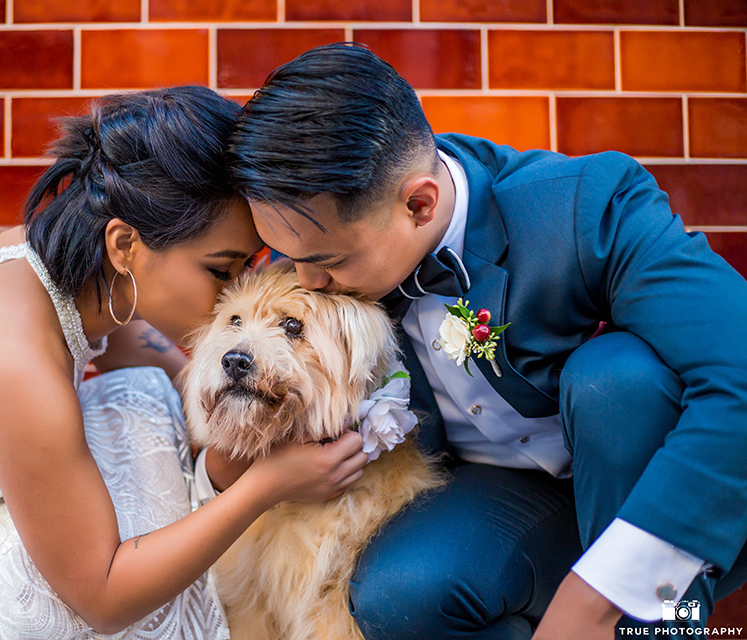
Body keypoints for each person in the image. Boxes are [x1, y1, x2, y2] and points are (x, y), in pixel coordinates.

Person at [0, 86, 367, 639]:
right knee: (97, 556)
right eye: (221, 270)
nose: (232, 294)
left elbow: (133, 343)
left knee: (144, 412)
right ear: (124, 245)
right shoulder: (14, 363)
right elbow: (103, 596)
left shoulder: (65, 259)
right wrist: (264, 486)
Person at [219, 43, 747, 639]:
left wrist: (598, 593)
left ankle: (665, 628)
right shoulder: (317, 232)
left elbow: (740, 374)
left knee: (616, 377)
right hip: (499, 498)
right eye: (292, 259)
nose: (306, 282)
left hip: (650, 484)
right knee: (400, 591)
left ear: (419, 204)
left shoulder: (587, 206)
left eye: (328, 263)